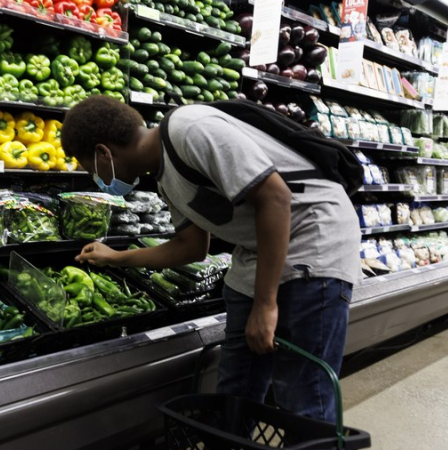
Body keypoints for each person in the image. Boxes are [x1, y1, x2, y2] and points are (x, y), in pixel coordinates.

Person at [60, 95, 360, 422]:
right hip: (257, 251)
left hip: (314, 240)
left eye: (89, 169)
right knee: (235, 388)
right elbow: (190, 247)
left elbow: (275, 198)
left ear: (104, 152)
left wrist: (265, 304)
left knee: (303, 395)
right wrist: (117, 258)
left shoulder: (190, 129)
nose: (95, 178)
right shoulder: (164, 175)